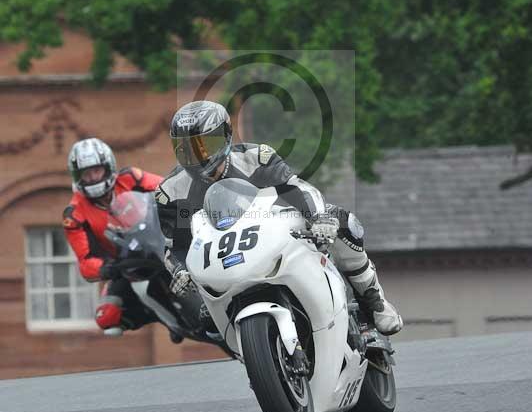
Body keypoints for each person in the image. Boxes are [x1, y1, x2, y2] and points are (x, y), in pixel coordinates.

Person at [155, 100, 403, 336]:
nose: (199, 156)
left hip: (273, 227)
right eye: (188, 148)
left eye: (206, 144)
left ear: (227, 136)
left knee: (343, 222)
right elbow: (175, 246)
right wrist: (179, 271)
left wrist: (318, 217)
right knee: (205, 320)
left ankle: (374, 301)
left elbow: (296, 189)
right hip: (224, 258)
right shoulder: (171, 192)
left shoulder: (257, 158)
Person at [63, 137, 177, 338]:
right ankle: (161, 315)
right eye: (86, 174)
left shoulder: (131, 177)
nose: (92, 177)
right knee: (106, 318)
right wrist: (108, 268)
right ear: (77, 177)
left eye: (96, 170)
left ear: (108, 167)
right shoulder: (73, 214)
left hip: (162, 240)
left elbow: (167, 189)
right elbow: (85, 262)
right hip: (124, 264)